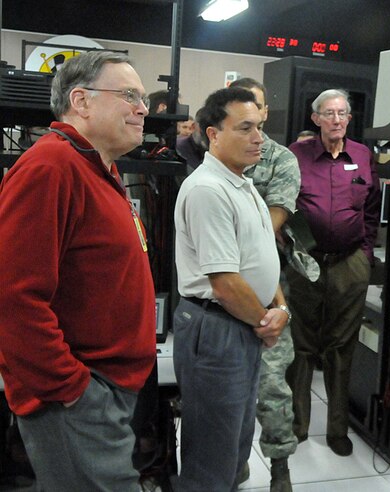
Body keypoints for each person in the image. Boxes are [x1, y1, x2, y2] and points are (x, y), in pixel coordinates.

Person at [0, 50, 156, 491]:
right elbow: (13, 297)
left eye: (142, 97)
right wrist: (71, 388)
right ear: (81, 101)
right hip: (76, 398)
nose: (143, 108)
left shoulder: (100, 168)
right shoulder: (51, 167)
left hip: (106, 389)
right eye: (129, 95)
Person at [173, 87, 289, 491]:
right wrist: (265, 321)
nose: (259, 137)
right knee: (212, 456)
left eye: (259, 127)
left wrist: (281, 307)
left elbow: (259, 257)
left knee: (235, 445)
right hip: (219, 327)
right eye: (245, 128)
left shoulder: (242, 182)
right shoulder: (209, 189)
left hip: (241, 325)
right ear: (213, 134)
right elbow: (224, 283)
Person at [286, 89, 380, 457]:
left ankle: (338, 429)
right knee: (303, 345)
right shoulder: (297, 155)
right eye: (329, 114)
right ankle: (298, 425)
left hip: (350, 261)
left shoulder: (362, 155)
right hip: (306, 261)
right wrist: (299, 247)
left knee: (341, 347)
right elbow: (284, 203)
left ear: (349, 118)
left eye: (342, 113)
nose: (337, 120)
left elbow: (371, 209)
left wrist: (366, 253)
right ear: (316, 119)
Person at [229, 76, 301, 491]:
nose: (250, 120)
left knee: (272, 384)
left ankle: (279, 466)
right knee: (231, 388)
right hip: (218, 291)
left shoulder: (281, 159)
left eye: (256, 109)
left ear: (266, 113)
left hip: (266, 283)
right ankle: (236, 466)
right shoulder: (218, 154)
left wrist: (231, 245)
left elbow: (271, 223)